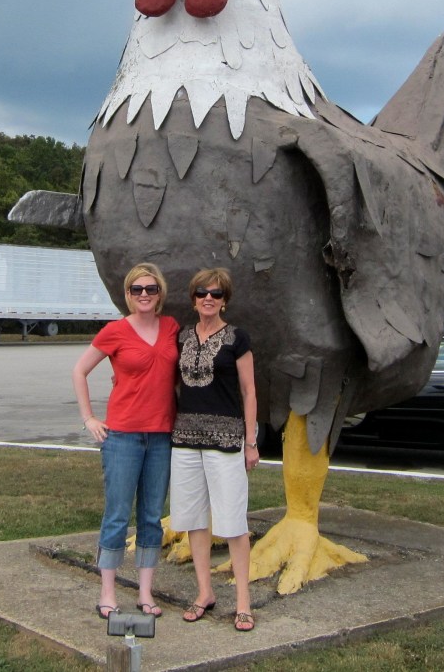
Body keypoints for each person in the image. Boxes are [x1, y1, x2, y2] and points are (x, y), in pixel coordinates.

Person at [72, 262, 179, 620]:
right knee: (117, 515)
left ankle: (146, 593)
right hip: (122, 436)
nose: (144, 295)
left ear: (160, 293)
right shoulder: (115, 331)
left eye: (151, 289)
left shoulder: (171, 327)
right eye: (137, 290)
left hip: (162, 436)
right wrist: (89, 418)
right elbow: (80, 370)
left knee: (151, 516)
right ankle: (107, 592)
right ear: (128, 295)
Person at [169, 267, 258, 632]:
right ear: (193, 298)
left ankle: (243, 602)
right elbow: (170, 382)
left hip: (226, 442)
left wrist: (250, 442)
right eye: (203, 292)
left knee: (234, 522)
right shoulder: (182, 337)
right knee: (193, 519)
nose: (209, 298)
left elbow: (250, 392)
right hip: (186, 440)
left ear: (225, 300)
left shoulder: (238, 338)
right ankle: (204, 592)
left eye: (216, 294)